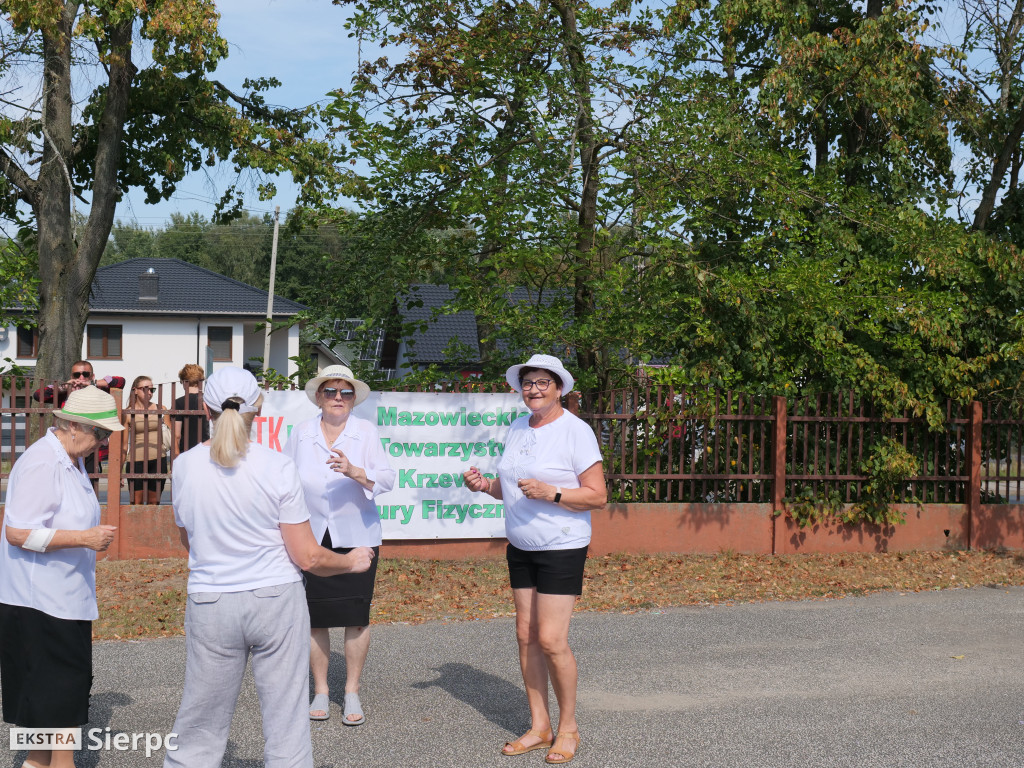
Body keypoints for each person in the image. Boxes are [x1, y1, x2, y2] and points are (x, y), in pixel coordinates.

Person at [164, 367, 375, 768]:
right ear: (257, 407)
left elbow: (189, 540)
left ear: (205, 408)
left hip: (210, 601)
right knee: (285, 721)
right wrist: (350, 561)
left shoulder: (185, 466)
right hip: (274, 599)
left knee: (200, 720)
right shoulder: (276, 466)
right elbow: (308, 556)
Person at [463, 354, 606, 765]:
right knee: (525, 635)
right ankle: (540, 725)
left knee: (551, 640)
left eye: (543, 382)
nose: (534, 390)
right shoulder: (517, 427)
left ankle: (569, 728)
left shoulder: (576, 432)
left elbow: (597, 495)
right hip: (521, 546)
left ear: (559, 388)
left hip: (562, 545)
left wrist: (555, 493)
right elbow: (508, 489)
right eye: (528, 383)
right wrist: (484, 485)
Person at [0, 386, 122, 768]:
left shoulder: (70, 459)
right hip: (42, 601)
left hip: (62, 596)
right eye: (99, 434)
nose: (102, 443)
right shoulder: (44, 462)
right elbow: (18, 532)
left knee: (52, 696)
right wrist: (84, 538)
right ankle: (59, 763)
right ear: (72, 426)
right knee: (61, 692)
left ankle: (38, 761)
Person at [283, 364, 395, 725]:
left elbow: (388, 479)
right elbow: (285, 480)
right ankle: (320, 690)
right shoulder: (301, 433)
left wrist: (354, 472)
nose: (338, 398)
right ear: (319, 397)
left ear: (353, 398)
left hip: (357, 535)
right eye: (330, 391)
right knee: (316, 618)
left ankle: (351, 692)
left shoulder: (366, 432)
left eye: (345, 392)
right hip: (311, 535)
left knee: (355, 617)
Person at [32, 360, 126, 485]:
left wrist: (93, 383)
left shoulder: (99, 392)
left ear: (92, 376)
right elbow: (38, 395)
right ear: (72, 377)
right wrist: (65, 387)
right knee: (66, 484)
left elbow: (120, 381)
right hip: (67, 446)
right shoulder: (65, 391)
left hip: (90, 445)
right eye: (77, 375)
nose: (81, 378)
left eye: (85, 374)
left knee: (89, 486)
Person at [122, 375, 172, 505]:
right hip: (136, 461)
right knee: (136, 503)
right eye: (145, 389)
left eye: (152, 390)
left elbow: (172, 438)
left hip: (158, 459)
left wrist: (173, 464)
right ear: (135, 390)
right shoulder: (128, 413)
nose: (149, 393)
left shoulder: (161, 409)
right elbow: (123, 446)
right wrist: (119, 472)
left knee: (154, 503)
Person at [172, 363, 209, 454]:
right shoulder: (209, 401)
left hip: (186, 451)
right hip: (207, 449)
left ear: (184, 381)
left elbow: (177, 435)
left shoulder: (178, 403)